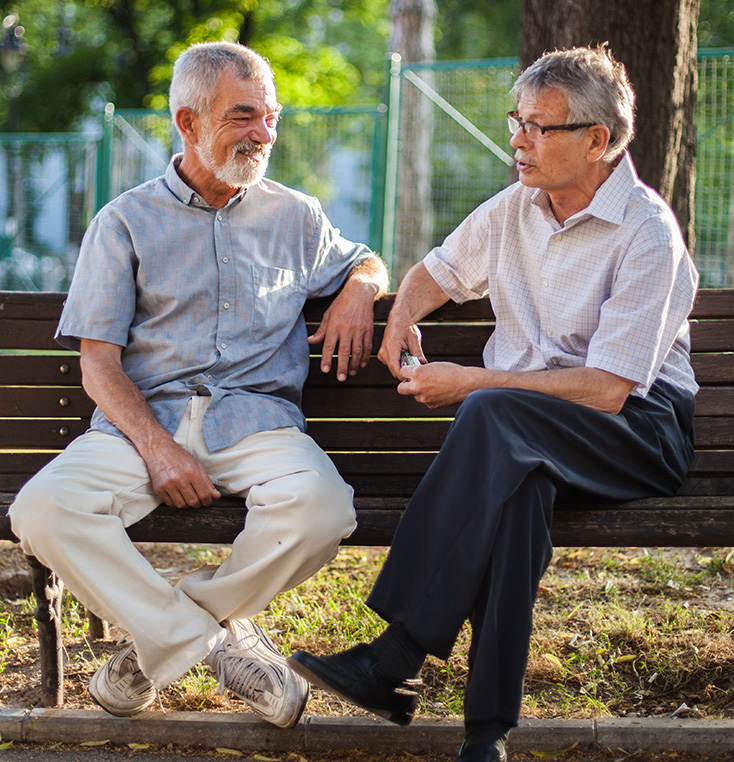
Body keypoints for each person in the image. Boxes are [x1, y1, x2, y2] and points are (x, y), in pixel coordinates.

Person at [288, 45, 698, 761]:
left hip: (635, 431)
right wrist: (402, 314)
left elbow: (605, 390)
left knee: (491, 414)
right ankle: (487, 733)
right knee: (518, 490)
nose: (518, 140)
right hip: (529, 435)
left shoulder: (646, 232)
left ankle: (395, 656)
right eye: (518, 121)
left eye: (540, 128)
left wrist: (471, 381)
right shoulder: (515, 207)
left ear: (598, 142)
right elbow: (436, 270)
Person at [9, 41, 388, 729]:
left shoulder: (297, 216)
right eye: (243, 116)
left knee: (324, 509)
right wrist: (157, 449)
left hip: (255, 421)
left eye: (270, 116)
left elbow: (364, 260)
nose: (264, 134)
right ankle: (216, 647)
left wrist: (361, 287)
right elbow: (99, 365)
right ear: (188, 123)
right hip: (138, 423)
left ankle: (153, 651)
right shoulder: (123, 221)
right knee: (42, 511)